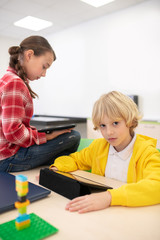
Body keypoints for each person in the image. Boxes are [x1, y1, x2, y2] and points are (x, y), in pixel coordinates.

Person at [50, 91, 160, 213]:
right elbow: (73, 159)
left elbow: (157, 186)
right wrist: (57, 169)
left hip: (133, 212)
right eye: (103, 125)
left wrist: (109, 197)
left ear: (130, 121)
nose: (109, 132)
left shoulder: (147, 153)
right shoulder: (99, 148)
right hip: (104, 212)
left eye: (115, 123)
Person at [0, 35, 80, 172]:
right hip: (8, 159)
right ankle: (56, 171)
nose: (44, 74)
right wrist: (45, 136)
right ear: (29, 55)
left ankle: (53, 166)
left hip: (6, 155)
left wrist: (42, 134)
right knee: (73, 136)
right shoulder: (15, 83)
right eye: (44, 67)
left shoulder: (8, 79)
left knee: (62, 136)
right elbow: (13, 133)